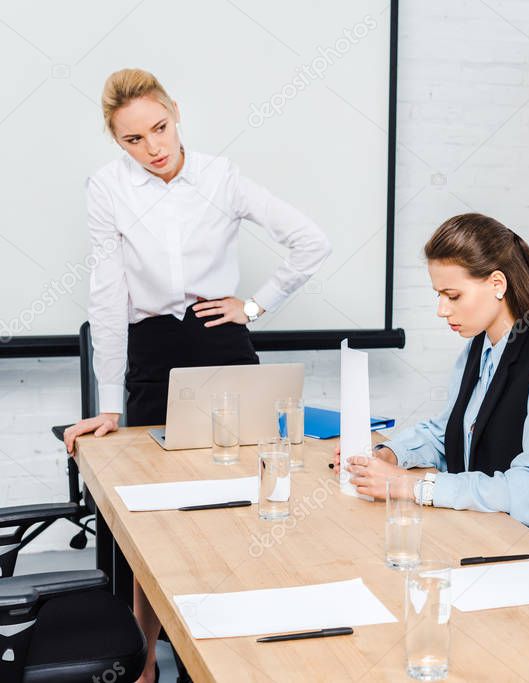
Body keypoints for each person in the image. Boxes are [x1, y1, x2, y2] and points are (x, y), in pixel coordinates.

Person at [63, 68, 332, 683]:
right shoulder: (107, 188)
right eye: (134, 140)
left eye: (160, 128)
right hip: (152, 351)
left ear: (176, 113)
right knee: (151, 517)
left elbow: (310, 241)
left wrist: (255, 305)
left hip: (222, 343)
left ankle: (233, 654)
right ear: (116, 141)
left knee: (249, 502)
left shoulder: (221, 175)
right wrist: (108, 404)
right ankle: (144, 666)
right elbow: (107, 295)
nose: (153, 148)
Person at [340, 213, 529, 552]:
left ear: (497, 285)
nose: (442, 310)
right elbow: (451, 433)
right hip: (483, 535)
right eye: (439, 295)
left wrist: (413, 486)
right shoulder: (480, 348)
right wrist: (390, 455)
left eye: (453, 295)